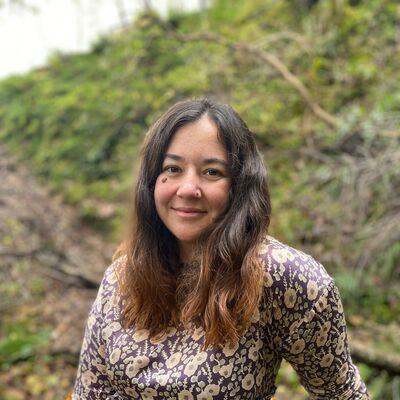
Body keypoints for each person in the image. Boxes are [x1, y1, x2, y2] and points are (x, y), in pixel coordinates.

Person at [72, 98, 369, 399]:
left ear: (240, 184)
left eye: (212, 172)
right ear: (151, 183)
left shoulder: (285, 278)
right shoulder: (121, 278)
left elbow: (342, 394)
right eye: (172, 168)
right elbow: (88, 392)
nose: (188, 189)